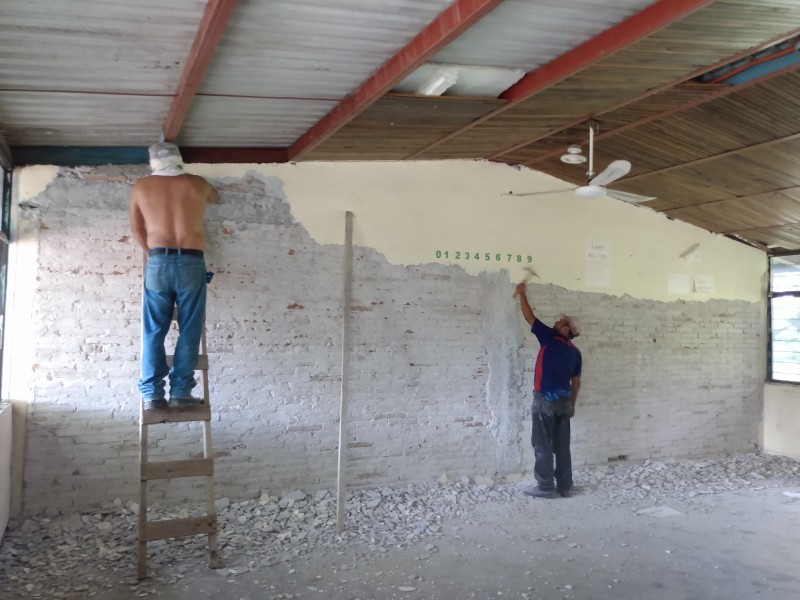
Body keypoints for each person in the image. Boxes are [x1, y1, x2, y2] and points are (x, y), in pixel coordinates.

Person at [130, 141, 219, 410]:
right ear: (179, 159)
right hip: (191, 262)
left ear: (153, 162)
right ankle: (181, 392)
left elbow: (136, 229)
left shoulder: (141, 187)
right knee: (190, 329)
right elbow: (216, 197)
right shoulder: (198, 184)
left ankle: (152, 396)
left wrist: (151, 254)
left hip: (158, 261)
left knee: (154, 330)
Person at [514, 281, 582, 498]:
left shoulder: (550, 338)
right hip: (564, 401)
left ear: (567, 330)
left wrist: (522, 294)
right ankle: (565, 486)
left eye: (560, 322)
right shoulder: (576, 353)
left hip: (546, 399)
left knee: (542, 443)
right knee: (562, 447)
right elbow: (576, 382)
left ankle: (545, 488)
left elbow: (528, 316)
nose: (556, 322)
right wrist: (572, 405)